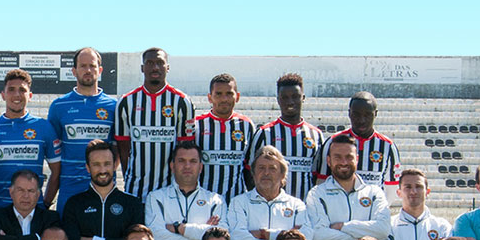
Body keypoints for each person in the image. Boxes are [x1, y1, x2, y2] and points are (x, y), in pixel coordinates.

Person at [304, 133, 391, 240]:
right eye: (338, 157)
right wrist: (365, 238)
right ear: (329, 161)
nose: (344, 162)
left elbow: (383, 229)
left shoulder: (374, 192)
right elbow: (317, 236)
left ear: (356, 159)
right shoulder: (316, 194)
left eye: (349, 157)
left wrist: (344, 226)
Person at [113, 47, 195, 199]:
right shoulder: (126, 102)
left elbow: (186, 147)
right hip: (135, 189)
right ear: (142, 68)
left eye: (160, 63)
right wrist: (129, 176)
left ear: (167, 67)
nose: (155, 67)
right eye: (150, 63)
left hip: (170, 191)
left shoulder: (182, 101)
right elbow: (123, 147)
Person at [61, 140, 145, 240]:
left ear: (114, 165)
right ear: (88, 167)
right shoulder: (74, 204)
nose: (102, 170)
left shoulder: (132, 204)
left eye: (106, 164)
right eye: (96, 165)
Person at [226, 146, 310, 240]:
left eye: (272, 168)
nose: (266, 173)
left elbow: (307, 239)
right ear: (253, 173)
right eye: (261, 168)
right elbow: (237, 239)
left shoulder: (297, 205)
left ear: (282, 174)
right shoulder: (238, 202)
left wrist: (265, 234)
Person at [47, 47, 117, 214]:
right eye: (83, 66)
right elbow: (53, 149)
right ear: (74, 71)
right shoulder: (59, 106)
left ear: (100, 70)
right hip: (70, 190)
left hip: (102, 190)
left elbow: (117, 150)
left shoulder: (113, 106)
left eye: (92, 66)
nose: (88, 70)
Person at [144, 141, 227, 240]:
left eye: (193, 161)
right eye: (181, 161)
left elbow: (221, 238)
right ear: (172, 166)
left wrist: (178, 228)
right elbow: (155, 237)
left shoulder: (215, 200)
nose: (187, 166)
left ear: (200, 167)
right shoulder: (156, 197)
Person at [0, 69, 61, 210]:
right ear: (3, 95)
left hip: (32, 211)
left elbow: (57, 171)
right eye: (11, 90)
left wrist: (45, 203)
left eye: (22, 90)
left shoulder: (44, 127)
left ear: (30, 95)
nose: (17, 94)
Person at [247, 73, 325, 202]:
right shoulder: (264, 133)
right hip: (272, 207)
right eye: (285, 97)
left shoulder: (316, 134)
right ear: (278, 99)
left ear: (303, 98)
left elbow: (319, 175)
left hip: (306, 207)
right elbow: (250, 172)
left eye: (295, 96)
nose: (290, 102)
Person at [312, 91, 401, 202]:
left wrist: (379, 209)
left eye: (367, 115)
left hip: (371, 213)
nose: (362, 120)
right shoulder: (332, 142)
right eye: (356, 114)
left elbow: (391, 186)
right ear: (349, 113)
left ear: (376, 114)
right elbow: (322, 180)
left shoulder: (387, 146)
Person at [193, 74, 255, 202]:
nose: (224, 99)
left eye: (229, 93)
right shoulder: (197, 124)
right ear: (210, 98)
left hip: (235, 201)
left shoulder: (246, 125)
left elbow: (249, 166)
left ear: (237, 96)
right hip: (203, 201)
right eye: (218, 94)